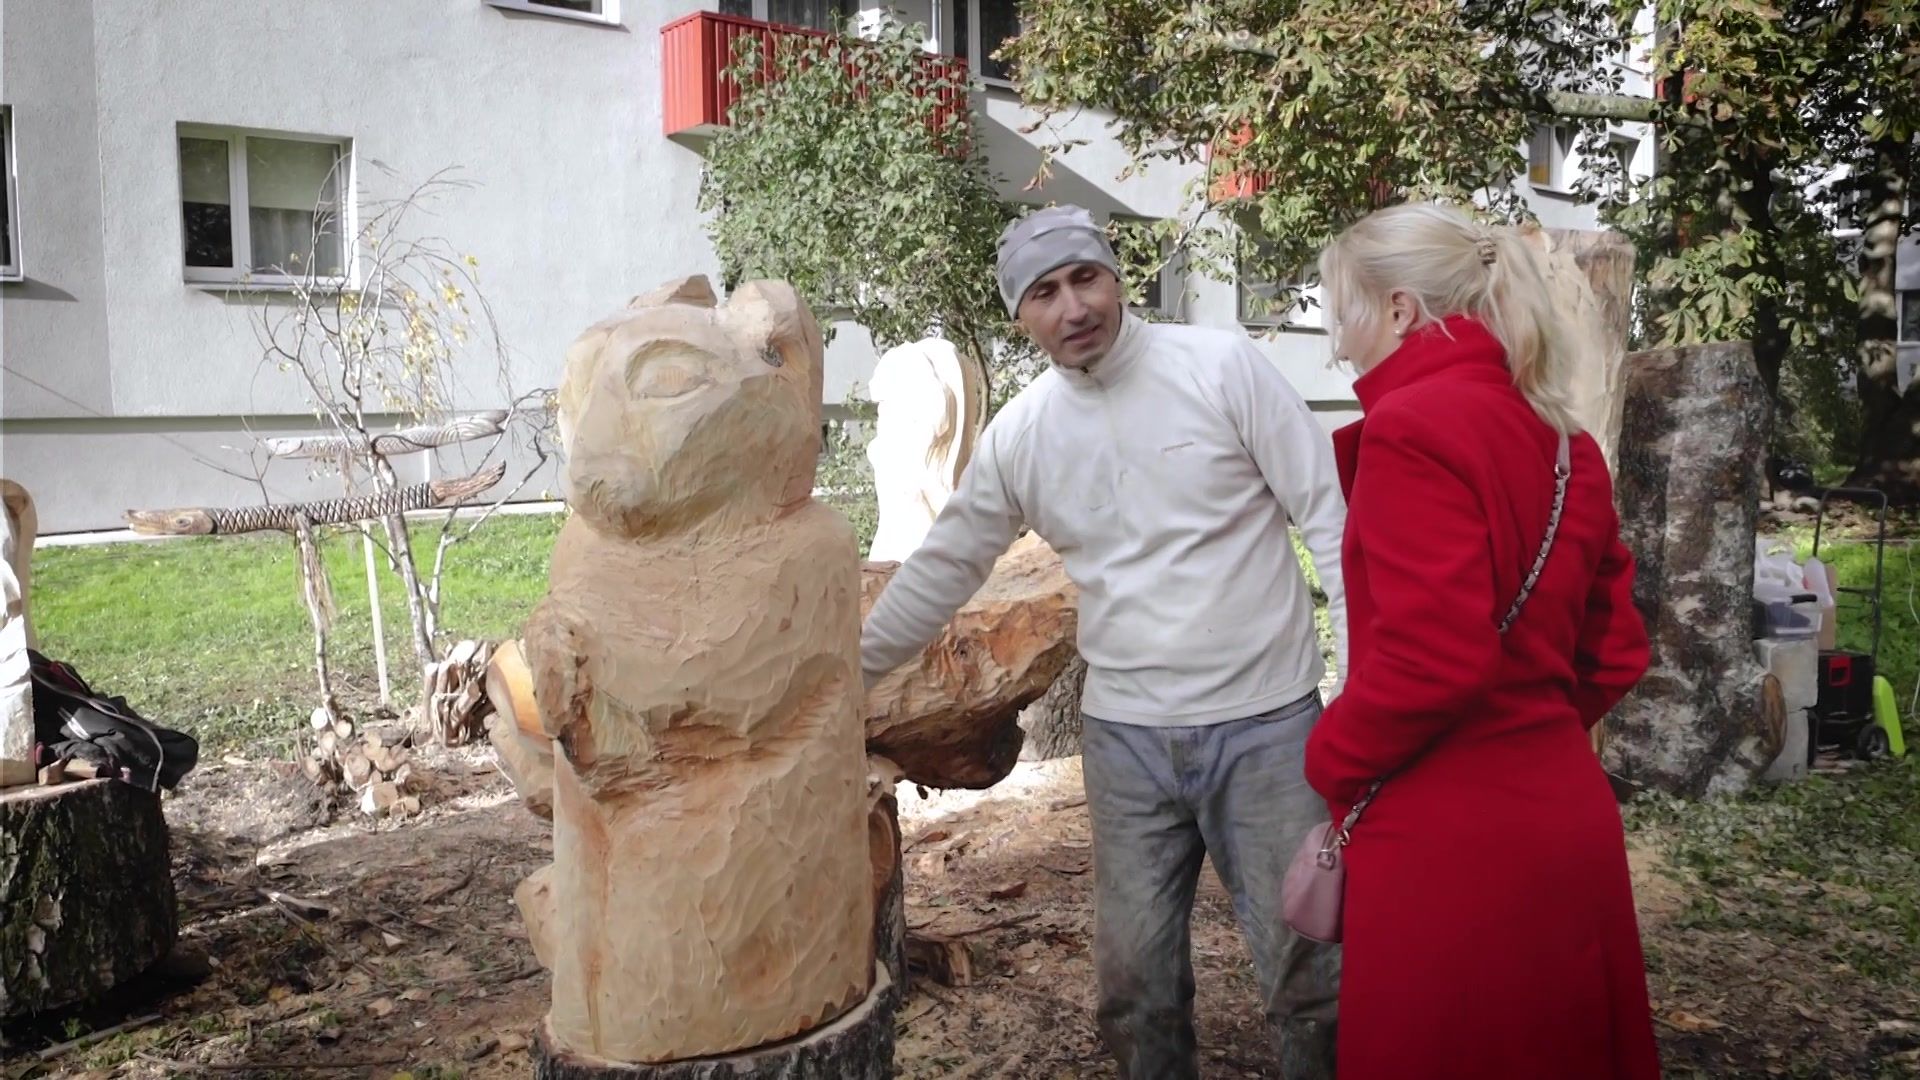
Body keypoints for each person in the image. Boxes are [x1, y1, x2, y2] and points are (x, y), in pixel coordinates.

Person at [860, 204, 1349, 1080]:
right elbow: (942, 570)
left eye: (1086, 278)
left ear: (1116, 276)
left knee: (1312, 974)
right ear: (1021, 315)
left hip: (1269, 726)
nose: (1072, 306)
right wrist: (843, 673)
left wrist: (1359, 684)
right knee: (1134, 989)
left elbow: (1328, 518)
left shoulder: (1222, 367)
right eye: (1044, 293)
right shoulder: (1023, 434)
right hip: (1128, 744)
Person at [1301, 201, 1660, 1080]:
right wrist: (1530, 727)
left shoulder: (1413, 428)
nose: (1338, 343)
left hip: (1449, 841)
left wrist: (1331, 756)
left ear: (1399, 311)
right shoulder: (1566, 440)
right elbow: (1614, 651)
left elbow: (1434, 660)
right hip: (1562, 813)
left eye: (1341, 311)